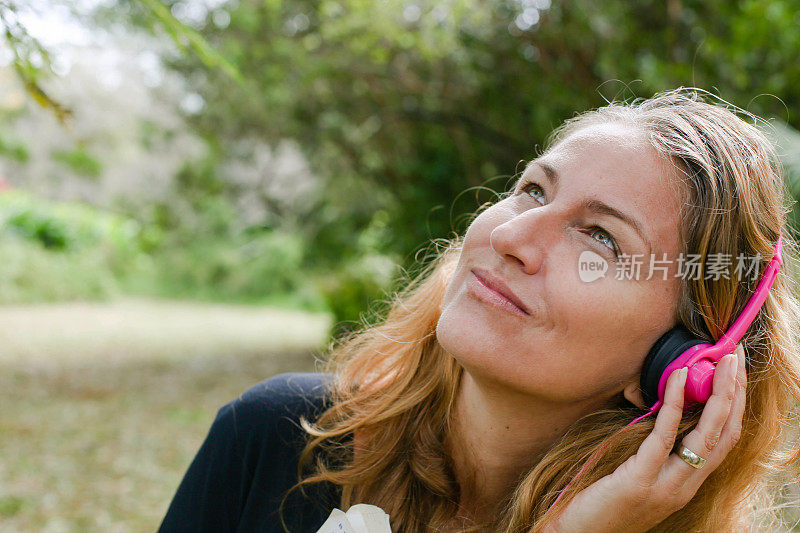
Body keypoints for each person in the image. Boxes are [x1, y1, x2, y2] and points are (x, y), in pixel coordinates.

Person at [159, 88, 800, 532]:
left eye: (601, 238)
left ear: (683, 362)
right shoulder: (275, 438)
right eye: (531, 191)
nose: (509, 237)